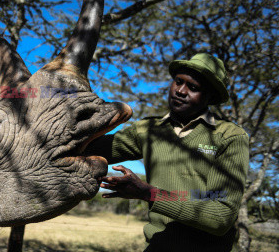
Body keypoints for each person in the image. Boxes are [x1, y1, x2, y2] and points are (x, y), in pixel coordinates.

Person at [89, 53, 249, 252]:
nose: (180, 91)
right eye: (178, 81)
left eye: (193, 87)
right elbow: (89, 147)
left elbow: (220, 216)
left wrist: (149, 193)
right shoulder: (148, 129)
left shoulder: (229, 137)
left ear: (210, 96)